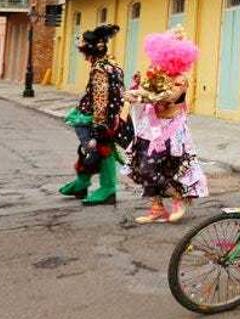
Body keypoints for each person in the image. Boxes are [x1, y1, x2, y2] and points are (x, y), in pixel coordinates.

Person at [124, 28, 208, 224]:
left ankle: (177, 198)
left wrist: (142, 96)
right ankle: (157, 207)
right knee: (143, 166)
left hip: (171, 130)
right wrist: (132, 94)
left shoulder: (180, 80)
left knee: (162, 167)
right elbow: (143, 92)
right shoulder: (155, 76)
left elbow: (169, 98)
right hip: (150, 128)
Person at [59, 24, 127, 205]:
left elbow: (100, 99)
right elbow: (120, 93)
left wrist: (98, 126)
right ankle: (82, 184)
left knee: (98, 151)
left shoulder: (99, 69)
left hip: (95, 119)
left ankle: (107, 189)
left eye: (84, 53)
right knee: (93, 151)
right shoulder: (114, 65)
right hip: (109, 117)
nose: (84, 58)